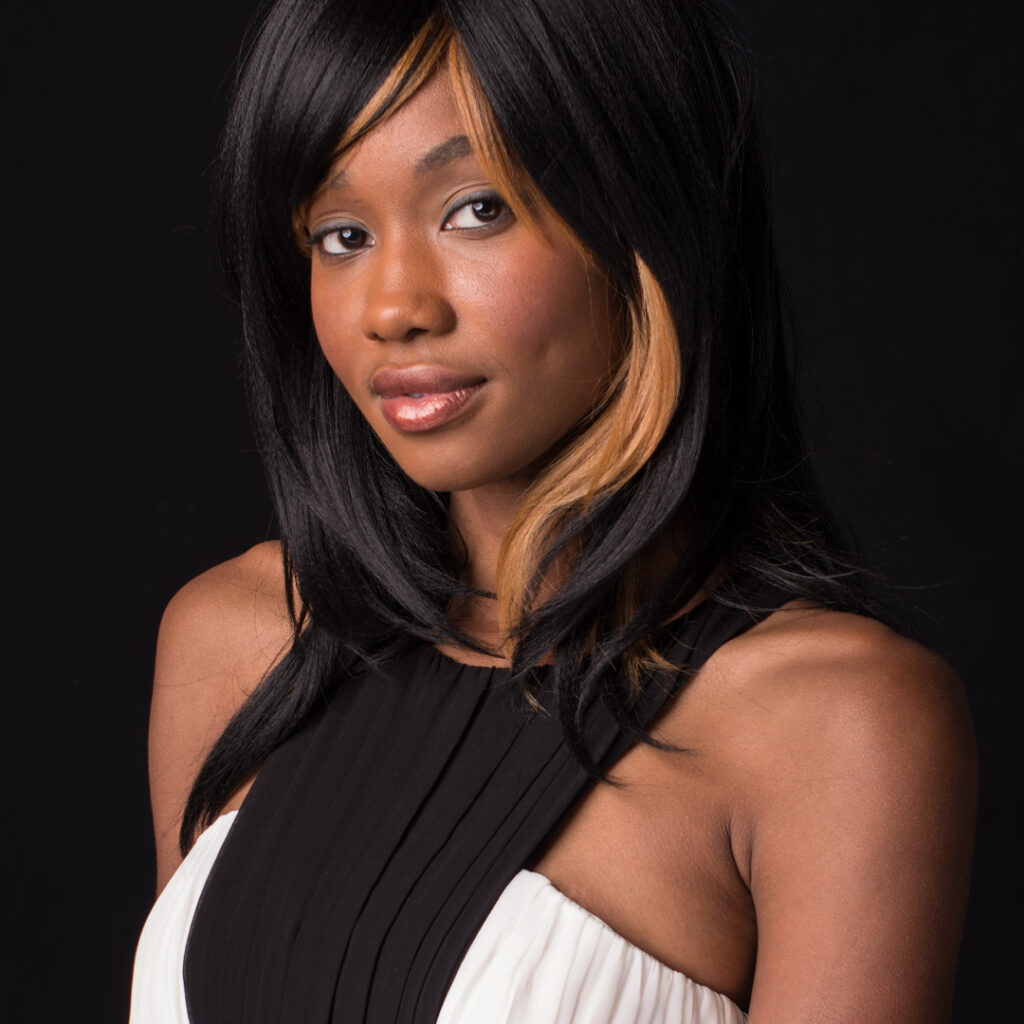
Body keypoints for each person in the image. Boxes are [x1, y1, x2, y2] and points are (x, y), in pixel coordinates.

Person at [129, 1, 977, 1021]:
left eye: (477, 208)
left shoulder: (827, 727)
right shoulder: (242, 641)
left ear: (644, 212)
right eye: (341, 234)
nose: (393, 305)